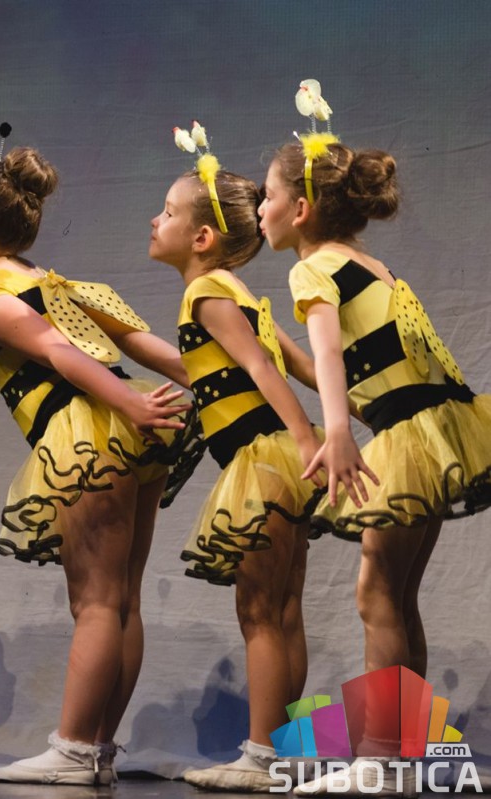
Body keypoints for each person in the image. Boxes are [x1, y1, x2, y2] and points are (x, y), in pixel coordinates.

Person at [261, 80, 491, 796]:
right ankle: (402, 758)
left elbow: (332, 357)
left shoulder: (312, 267)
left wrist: (334, 431)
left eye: (267, 197)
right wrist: (286, 357)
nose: (260, 209)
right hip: (432, 431)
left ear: (301, 209)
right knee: (396, 594)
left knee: (375, 594)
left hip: (409, 442)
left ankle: (381, 760)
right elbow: (370, 372)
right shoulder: (372, 267)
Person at [0, 130, 190, 785]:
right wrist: (218, 382)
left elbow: (57, 351)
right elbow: (145, 345)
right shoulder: (51, 282)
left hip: (90, 434)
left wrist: (130, 404)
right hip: (133, 433)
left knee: (98, 602)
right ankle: (99, 751)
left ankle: (75, 749)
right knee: (123, 598)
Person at [154, 126, 324, 791]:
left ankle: (261, 758)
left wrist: (307, 438)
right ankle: (288, 755)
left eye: (168, 212)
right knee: (284, 609)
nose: (155, 220)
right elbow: (304, 365)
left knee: (258, 610)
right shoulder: (241, 293)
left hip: (266, 459)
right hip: (281, 459)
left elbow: (263, 367)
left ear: (202, 237)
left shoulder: (206, 293)